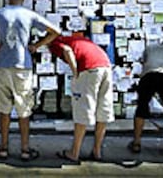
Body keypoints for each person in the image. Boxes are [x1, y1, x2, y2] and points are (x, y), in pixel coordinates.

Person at [0, 0, 60, 161]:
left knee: (4, 109)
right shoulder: (29, 15)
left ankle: (3, 148)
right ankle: (25, 150)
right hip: (23, 66)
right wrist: (36, 45)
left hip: (3, 65)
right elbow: (55, 31)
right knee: (24, 109)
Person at [47, 35, 114, 163]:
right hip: (105, 66)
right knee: (102, 110)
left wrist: (75, 72)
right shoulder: (76, 39)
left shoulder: (55, 42)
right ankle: (97, 151)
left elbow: (67, 51)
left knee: (82, 111)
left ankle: (74, 153)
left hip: (88, 69)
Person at [127, 38, 163, 158]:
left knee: (141, 109)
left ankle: (136, 143)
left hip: (149, 76)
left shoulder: (150, 47)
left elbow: (144, 64)